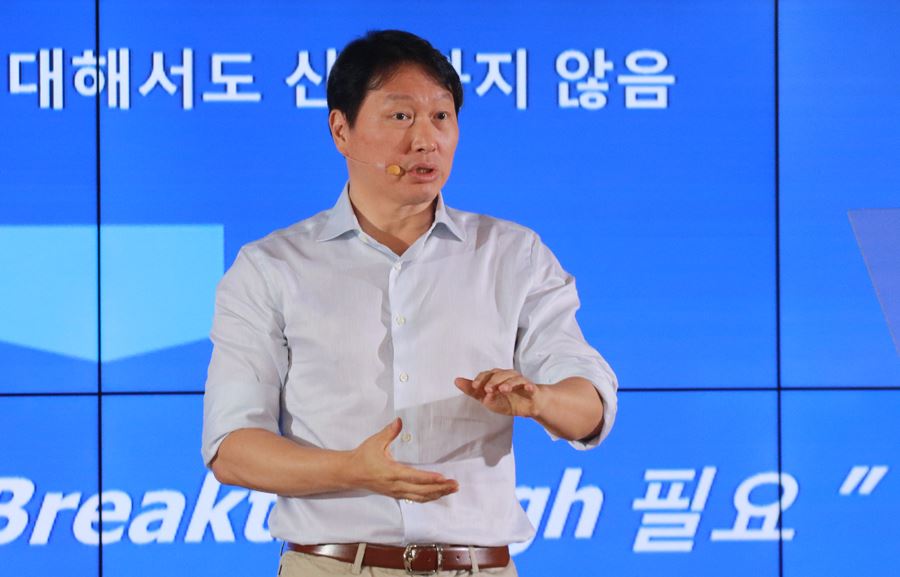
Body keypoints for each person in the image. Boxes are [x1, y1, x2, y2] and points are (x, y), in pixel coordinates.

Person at [202, 30, 617, 576]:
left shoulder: (512, 254)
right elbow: (232, 447)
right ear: (341, 130)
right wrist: (352, 469)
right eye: (400, 116)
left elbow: (590, 407)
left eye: (441, 117)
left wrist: (540, 399)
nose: (425, 140)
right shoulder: (272, 266)